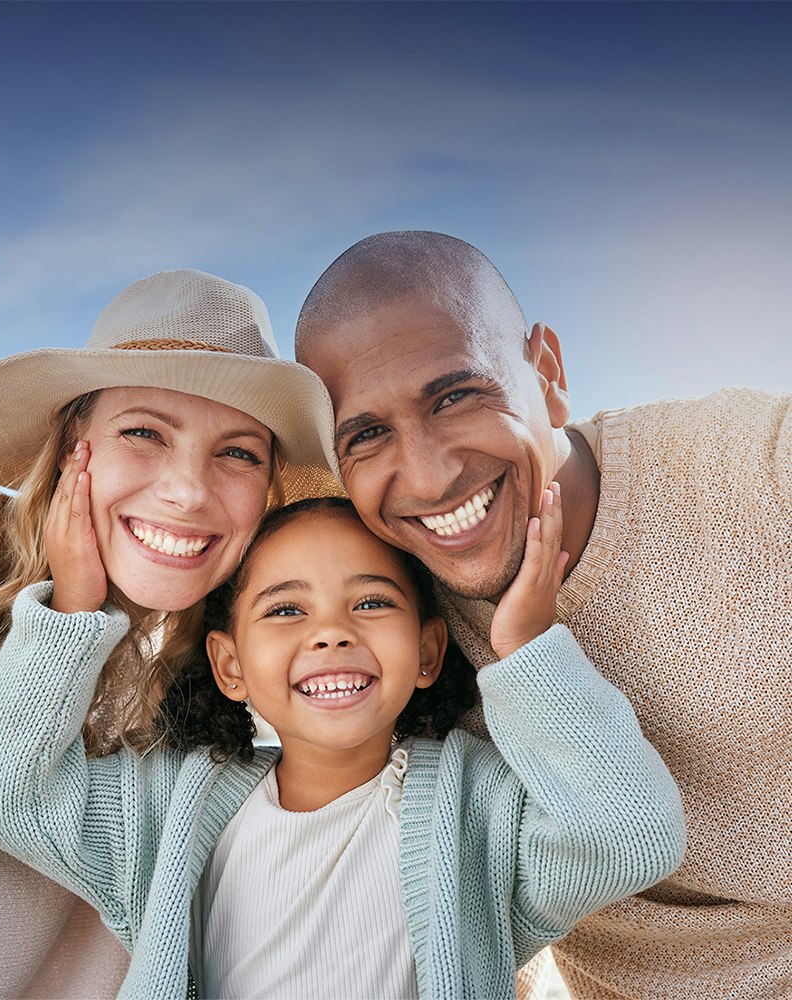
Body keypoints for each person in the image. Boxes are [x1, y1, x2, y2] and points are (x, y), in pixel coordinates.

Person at [0, 268, 337, 998]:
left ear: (267, 492)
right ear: (75, 440)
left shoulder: (222, 682)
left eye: (238, 452)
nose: (188, 491)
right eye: (144, 432)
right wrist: (70, 616)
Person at [294, 230, 792, 999]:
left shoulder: (757, 465)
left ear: (547, 373)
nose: (428, 477)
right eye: (367, 435)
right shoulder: (387, 626)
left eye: (456, 395)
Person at [0, 486, 685, 1000]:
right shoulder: (172, 808)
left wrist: (527, 650)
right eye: (285, 609)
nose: (332, 631)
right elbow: (9, 797)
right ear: (231, 666)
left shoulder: (482, 812)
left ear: (429, 653)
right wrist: (74, 608)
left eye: (372, 602)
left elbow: (630, 836)